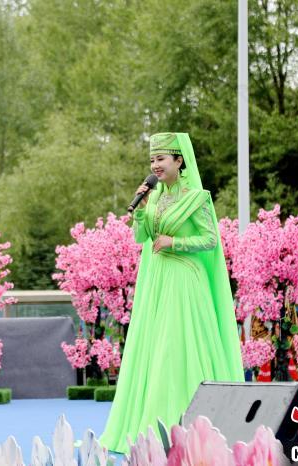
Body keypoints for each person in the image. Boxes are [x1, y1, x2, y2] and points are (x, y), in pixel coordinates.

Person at [100, 133, 243, 453]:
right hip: (159, 281)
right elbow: (141, 238)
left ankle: (194, 425)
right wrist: (141, 210)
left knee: (178, 345)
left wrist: (175, 243)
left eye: (161, 159)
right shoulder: (153, 198)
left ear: (179, 161)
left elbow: (210, 239)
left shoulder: (198, 198)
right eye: (152, 160)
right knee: (157, 347)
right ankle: (153, 426)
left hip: (185, 280)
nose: (155, 165)